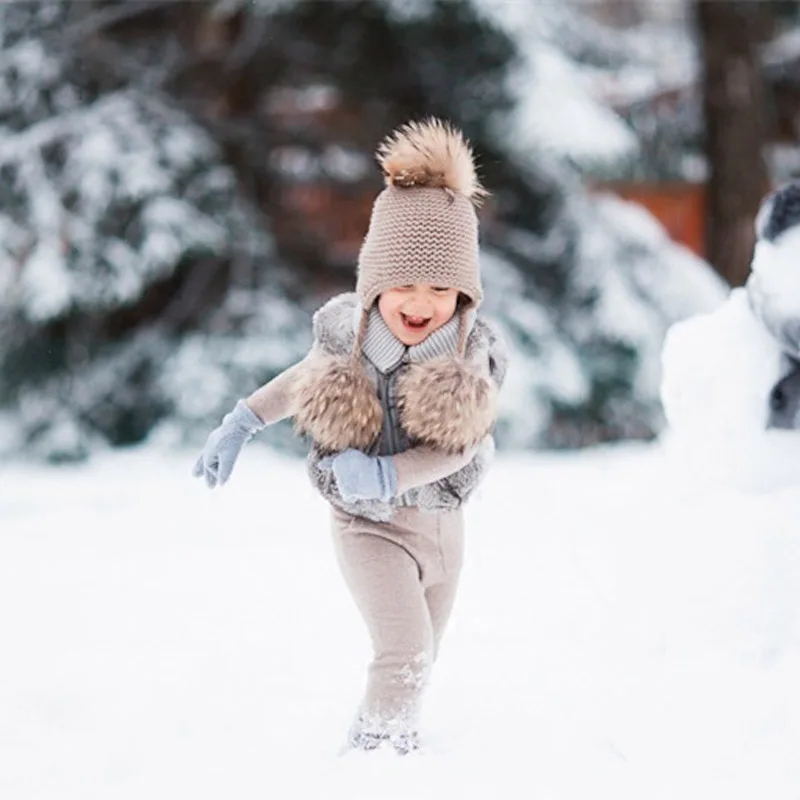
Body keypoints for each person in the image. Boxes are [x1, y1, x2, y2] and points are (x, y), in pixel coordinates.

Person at [193, 118, 507, 754]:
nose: (421, 302)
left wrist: (393, 473)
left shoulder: (473, 360)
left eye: (442, 288)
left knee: (426, 652)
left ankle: (392, 747)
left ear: (465, 294)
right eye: (404, 285)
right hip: (368, 525)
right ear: (375, 285)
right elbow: (302, 379)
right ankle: (376, 758)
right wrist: (243, 421)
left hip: (444, 528)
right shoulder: (350, 337)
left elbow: (461, 444)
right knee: (405, 652)